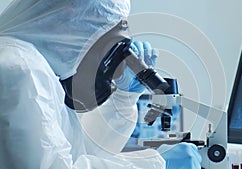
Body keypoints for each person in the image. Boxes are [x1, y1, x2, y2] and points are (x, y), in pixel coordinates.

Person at [0, 0, 202, 169]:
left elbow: (80, 152)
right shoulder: (21, 70)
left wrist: (122, 98)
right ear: (69, 17)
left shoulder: (47, 70)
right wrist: (157, 164)